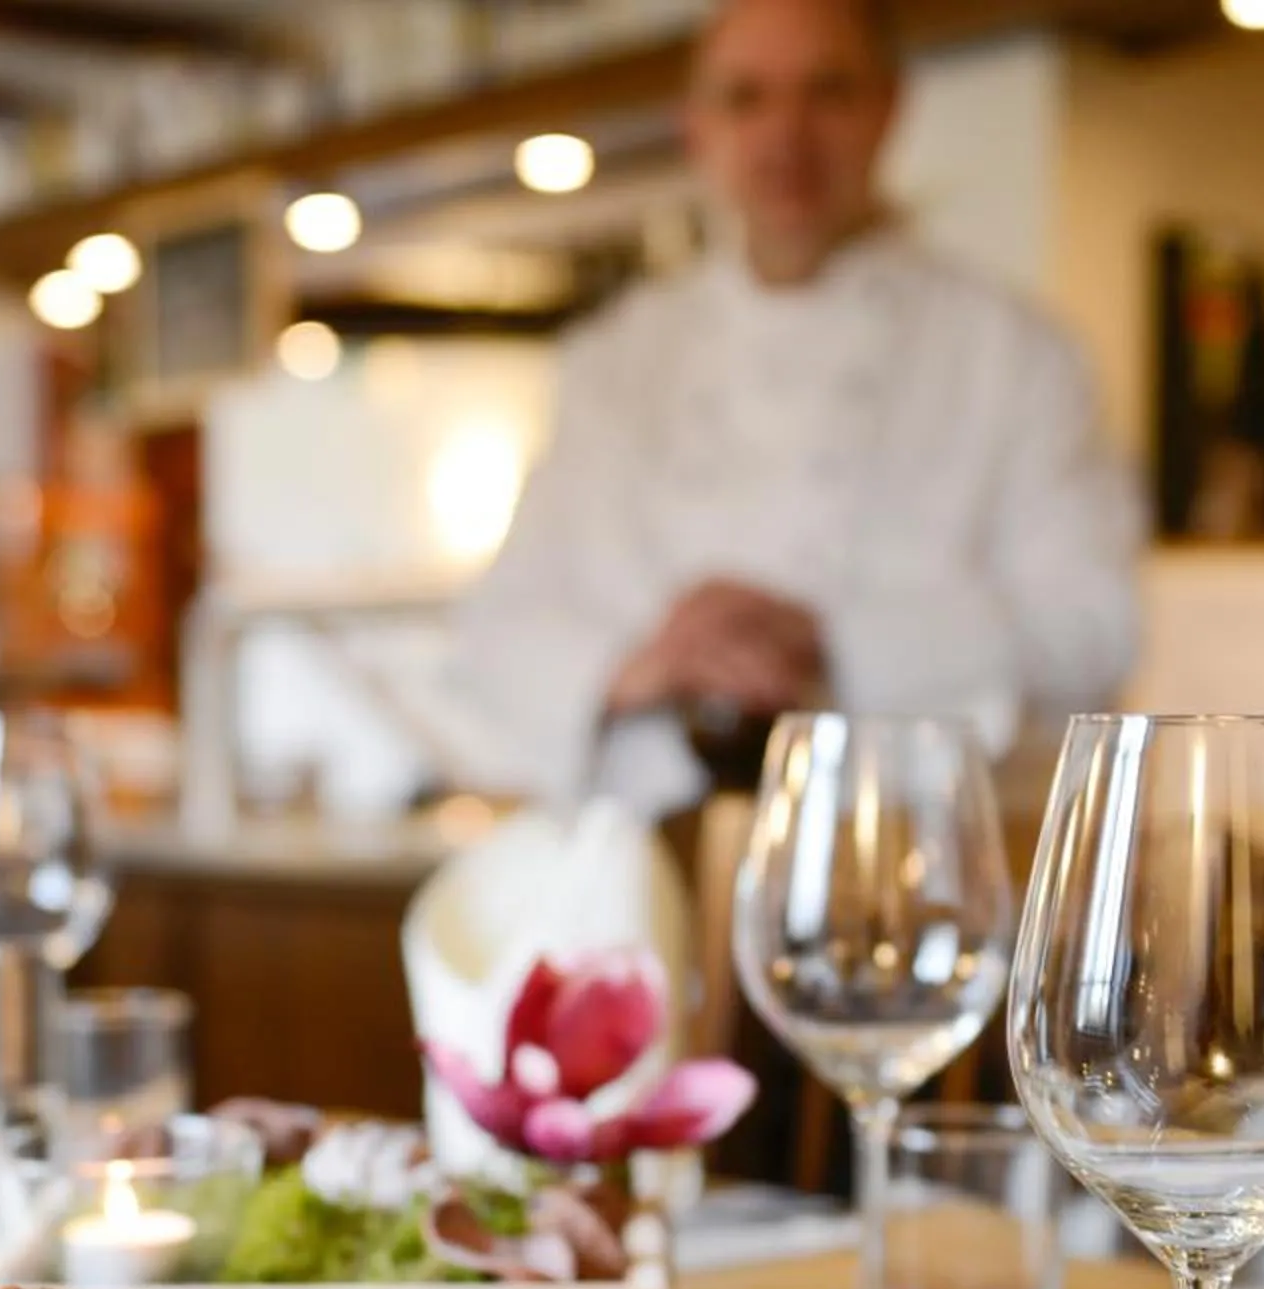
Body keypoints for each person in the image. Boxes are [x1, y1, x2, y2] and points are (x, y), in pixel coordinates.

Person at [455, 0, 1144, 814]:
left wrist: (828, 641)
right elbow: (494, 636)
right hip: (642, 863)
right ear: (696, 128)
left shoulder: (1018, 355)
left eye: (828, 92)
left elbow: (1094, 627)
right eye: (746, 97)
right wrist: (643, 662)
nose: (786, 136)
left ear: (891, 108)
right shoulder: (613, 361)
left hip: (906, 853)